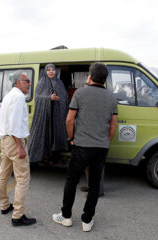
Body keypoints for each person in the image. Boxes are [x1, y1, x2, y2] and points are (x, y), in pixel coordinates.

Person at [52, 62, 118, 232]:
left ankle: (65, 216)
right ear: (104, 79)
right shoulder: (111, 97)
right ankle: (87, 220)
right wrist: (105, 141)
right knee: (95, 184)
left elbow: (69, 119)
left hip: (81, 145)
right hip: (101, 147)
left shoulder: (80, 93)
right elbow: (113, 125)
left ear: (90, 76)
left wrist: (71, 138)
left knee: (71, 181)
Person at [0, 70, 36, 227]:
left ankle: (4, 205)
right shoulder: (19, 97)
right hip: (15, 141)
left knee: (3, 175)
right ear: (18, 82)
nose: (29, 84)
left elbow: (4, 120)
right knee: (23, 178)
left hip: (5, 140)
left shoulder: (8, 95)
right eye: (27, 81)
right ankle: (18, 215)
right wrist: (20, 147)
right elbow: (14, 125)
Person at [27, 63, 69, 165]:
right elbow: (38, 98)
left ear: (56, 71)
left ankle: (55, 157)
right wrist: (49, 98)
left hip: (57, 116)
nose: (51, 72)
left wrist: (59, 100)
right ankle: (45, 157)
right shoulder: (41, 83)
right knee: (45, 136)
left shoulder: (59, 83)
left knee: (56, 136)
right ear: (45, 72)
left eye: (53, 70)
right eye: (49, 70)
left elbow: (65, 97)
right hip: (45, 116)